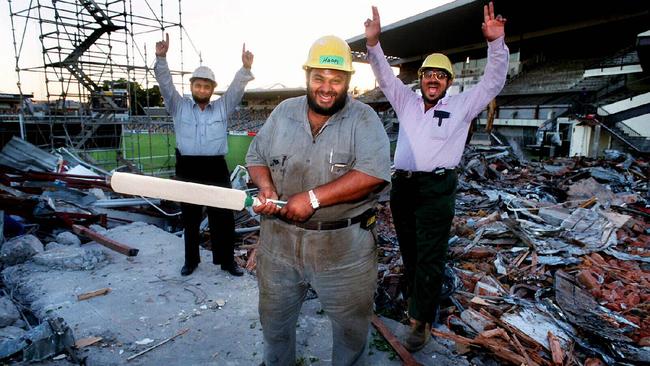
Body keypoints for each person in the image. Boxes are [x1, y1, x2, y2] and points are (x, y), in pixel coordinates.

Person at [364, 1, 509, 351]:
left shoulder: (461, 105)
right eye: (428, 73)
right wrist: (373, 44)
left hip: (437, 188)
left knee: (430, 254)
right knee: (411, 251)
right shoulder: (406, 101)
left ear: (448, 82)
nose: (433, 78)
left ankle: (420, 322)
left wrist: (495, 44)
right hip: (404, 186)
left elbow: (492, 83)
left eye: (440, 75)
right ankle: (416, 300)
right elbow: (384, 75)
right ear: (421, 78)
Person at [246, 35, 391, 366]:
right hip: (279, 246)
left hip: (343, 250)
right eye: (319, 78)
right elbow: (256, 155)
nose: (327, 87)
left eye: (336, 80)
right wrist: (266, 186)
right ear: (308, 77)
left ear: (348, 82)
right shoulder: (283, 113)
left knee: (350, 333)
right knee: (275, 324)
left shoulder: (364, 119)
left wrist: (312, 198)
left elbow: (374, 173)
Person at [154, 33, 254, 277]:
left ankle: (227, 262)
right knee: (190, 217)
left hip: (215, 167)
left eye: (207, 85)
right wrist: (161, 58)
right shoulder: (178, 105)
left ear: (212, 89)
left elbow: (235, 91)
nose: (202, 88)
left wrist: (245, 68)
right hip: (188, 167)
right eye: (198, 85)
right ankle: (191, 261)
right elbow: (165, 84)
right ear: (191, 87)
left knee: (224, 217)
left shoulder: (222, 106)